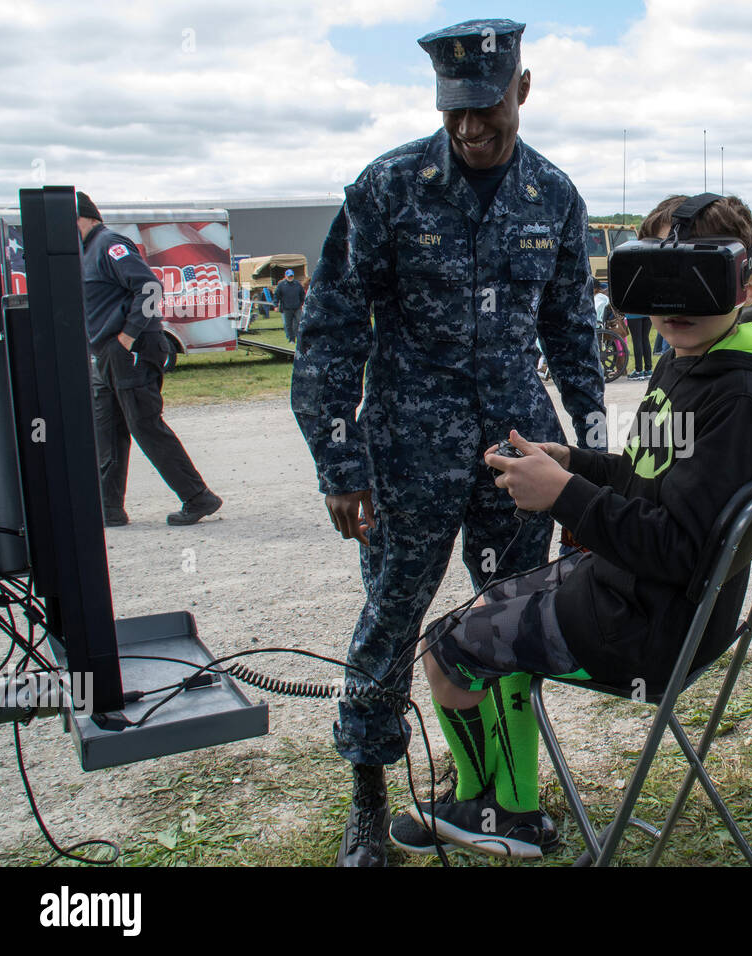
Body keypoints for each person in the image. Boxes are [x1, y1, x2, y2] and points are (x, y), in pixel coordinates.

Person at [385, 193, 752, 860]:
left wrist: (564, 496)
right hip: (644, 597)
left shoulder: (737, 396)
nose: (673, 300)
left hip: (651, 625)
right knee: (484, 622)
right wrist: (576, 463)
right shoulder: (696, 362)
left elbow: (678, 547)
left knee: (443, 651)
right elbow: (652, 477)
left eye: (697, 278)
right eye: (654, 277)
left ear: (746, 283)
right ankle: (508, 810)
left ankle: (488, 810)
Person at [290, 19, 605, 867]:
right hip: (406, 449)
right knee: (390, 621)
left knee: (510, 617)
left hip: (516, 454)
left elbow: (575, 332)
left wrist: (595, 458)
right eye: (455, 111)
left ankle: (503, 796)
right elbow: (330, 330)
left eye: (488, 111)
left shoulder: (554, 195)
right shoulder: (387, 187)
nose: (470, 129)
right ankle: (368, 797)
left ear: (522, 90)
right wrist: (339, 460)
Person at [77, 192, 222, 528]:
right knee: (108, 431)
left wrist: (126, 337)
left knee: (145, 426)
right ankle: (109, 508)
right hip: (104, 354)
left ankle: (198, 496)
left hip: (131, 348)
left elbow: (150, 288)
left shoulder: (109, 244)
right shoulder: (88, 252)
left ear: (78, 217)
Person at [274, 268, 305, 342]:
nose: (290, 278)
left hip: (297, 307)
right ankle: (291, 339)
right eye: (289, 276)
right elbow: (276, 295)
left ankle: (297, 337)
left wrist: (302, 304)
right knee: (288, 325)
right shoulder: (281, 285)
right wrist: (275, 305)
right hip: (286, 308)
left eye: (291, 276)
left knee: (298, 322)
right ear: (285, 276)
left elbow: (302, 294)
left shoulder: (297, 284)